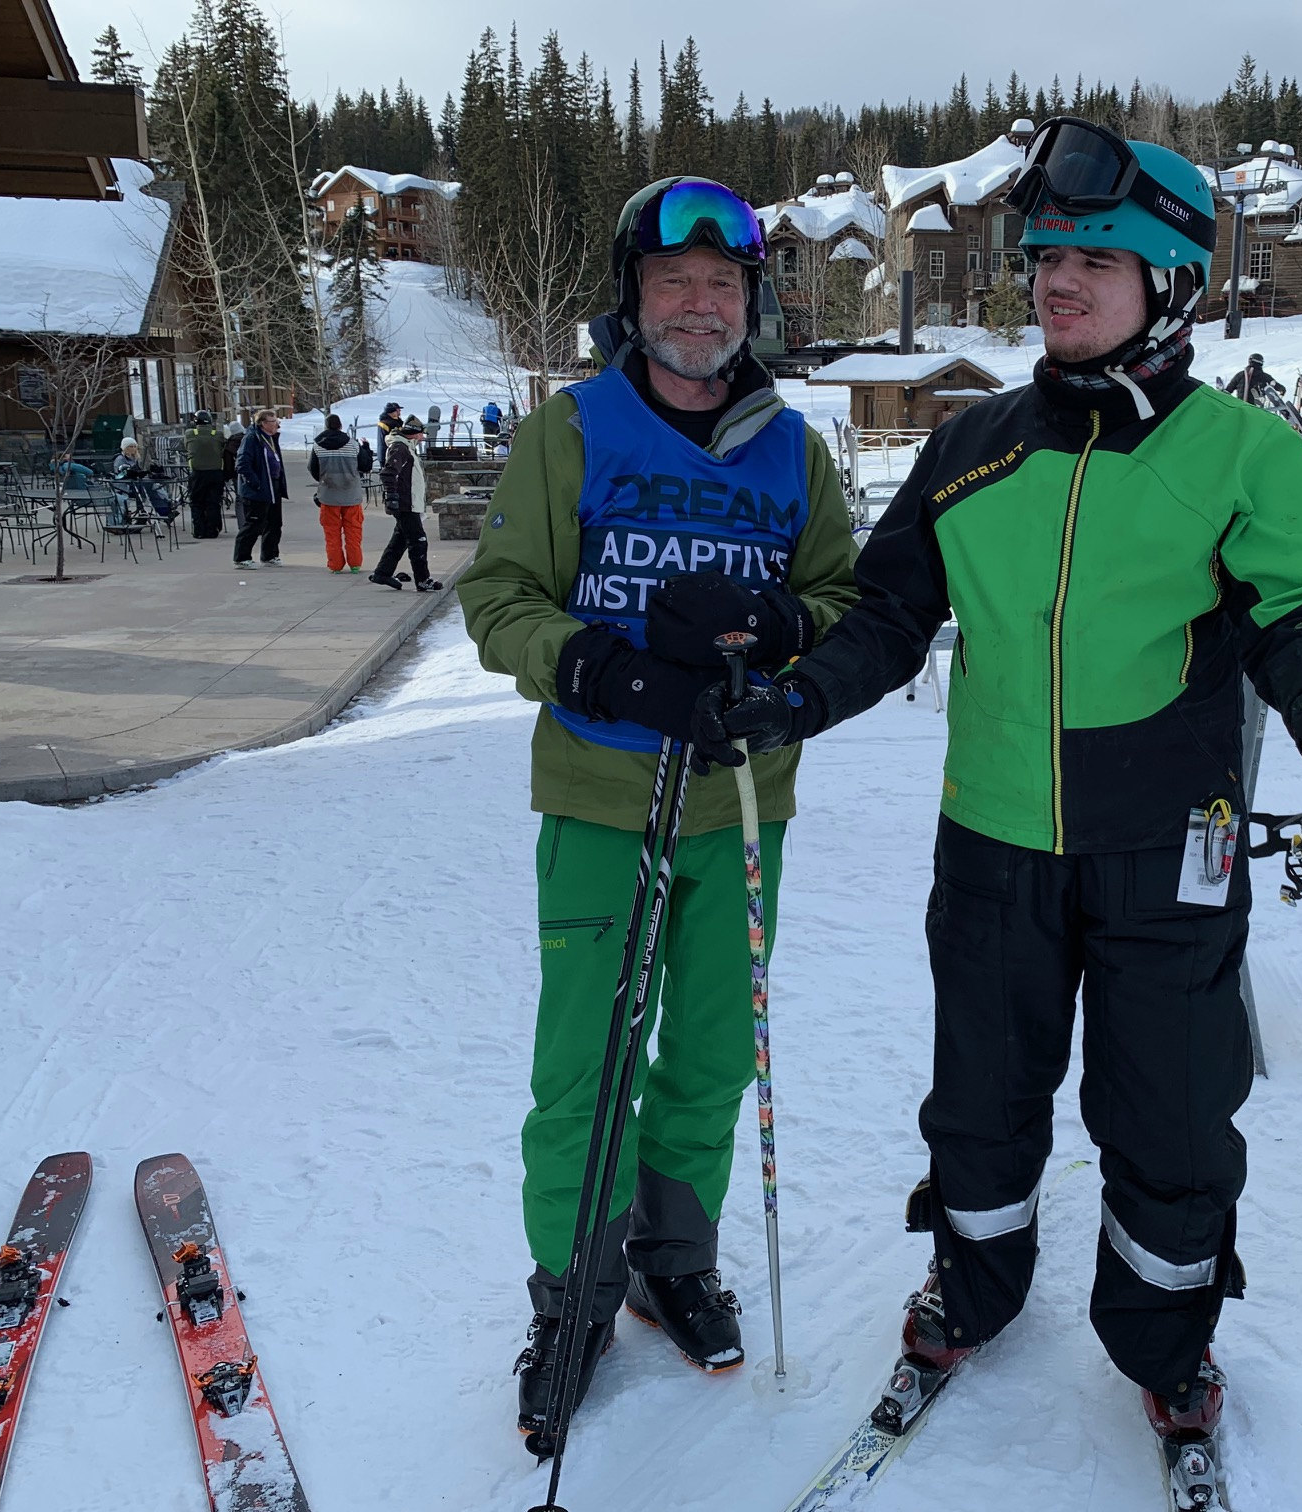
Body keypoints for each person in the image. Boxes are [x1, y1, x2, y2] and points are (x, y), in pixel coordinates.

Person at [693, 120, 1302, 1476]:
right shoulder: (972, 446)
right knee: (980, 1096)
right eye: (1044, 259)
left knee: (1169, 1109)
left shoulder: (1242, 453)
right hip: (994, 846)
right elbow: (887, 617)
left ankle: (1165, 1342)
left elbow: (1292, 606)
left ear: (1173, 281)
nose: (1057, 284)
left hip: (1167, 851)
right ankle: (970, 1290)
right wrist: (794, 696)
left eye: (1097, 258)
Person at [455, 175, 859, 1452]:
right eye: (674, 284)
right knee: (586, 1062)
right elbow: (499, 596)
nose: (699, 305)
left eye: (722, 285)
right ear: (633, 303)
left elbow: (849, 603)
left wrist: (788, 650)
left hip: (741, 806)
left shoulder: (797, 451)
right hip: (599, 794)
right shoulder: (572, 433)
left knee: (711, 1055)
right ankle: (572, 1291)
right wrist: (603, 666)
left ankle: (668, 1257)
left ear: (754, 303)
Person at [369, 418, 438, 590]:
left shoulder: (406, 447)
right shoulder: (400, 448)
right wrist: (392, 495)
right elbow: (388, 473)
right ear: (415, 433)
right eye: (421, 433)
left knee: (400, 540)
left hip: (410, 502)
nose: (423, 437)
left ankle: (382, 573)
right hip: (406, 503)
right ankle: (423, 579)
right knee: (418, 541)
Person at [308, 414, 367, 573]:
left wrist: (323, 479)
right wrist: (366, 449)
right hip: (351, 495)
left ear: (326, 426)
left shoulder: (318, 446)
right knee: (353, 531)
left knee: (331, 533)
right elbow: (365, 465)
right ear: (340, 426)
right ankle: (355, 564)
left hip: (328, 495)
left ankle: (335, 565)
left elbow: (313, 468)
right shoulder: (353, 445)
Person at [232, 409, 287, 569]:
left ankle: (270, 555)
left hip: (273, 486)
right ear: (263, 423)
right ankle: (241, 557)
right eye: (273, 421)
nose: (277, 424)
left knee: (274, 522)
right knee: (254, 523)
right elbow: (242, 464)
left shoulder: (271, 438)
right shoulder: (252, 439)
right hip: (258, 489)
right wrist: (255, 482)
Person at [114, 439, 174, 533]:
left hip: (136, 485)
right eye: (130, 446)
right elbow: (121, 475)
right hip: (125, 486)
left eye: (134, 446)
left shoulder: (134, 459)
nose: (133, 449)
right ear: (125, 448)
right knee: (152, 488)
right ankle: (164, 511)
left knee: (153, 487)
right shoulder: (120, 459)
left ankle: (161, 510)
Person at [185, 411, 228, 538]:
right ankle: (212, 529)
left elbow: (187, 446)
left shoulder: (190, 434)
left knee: (196, 502)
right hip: (215, 473)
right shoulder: (218, 435)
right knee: (213, 502)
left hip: (197, 473)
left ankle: (199, 530)